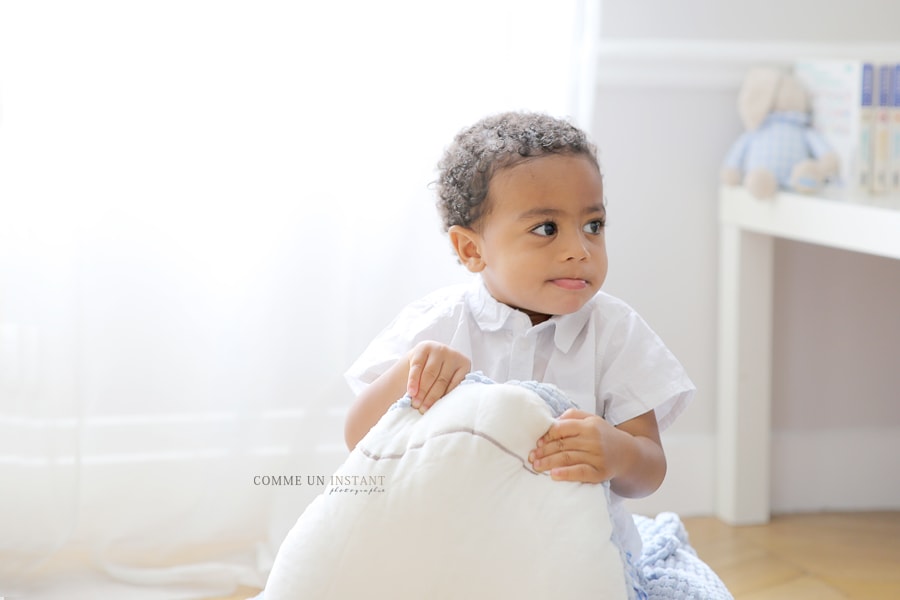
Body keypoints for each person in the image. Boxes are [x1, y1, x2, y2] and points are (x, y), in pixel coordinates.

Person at [343, 111, 694, 562]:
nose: (579, 250)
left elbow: (649, 470)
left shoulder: (614, 331)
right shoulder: (436, 323)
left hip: (575, 555)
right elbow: (358, 437)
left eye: (593, 225)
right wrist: (410, 375)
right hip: (448, 548)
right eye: (546, 229)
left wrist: (619, 453)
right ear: (471, 249)